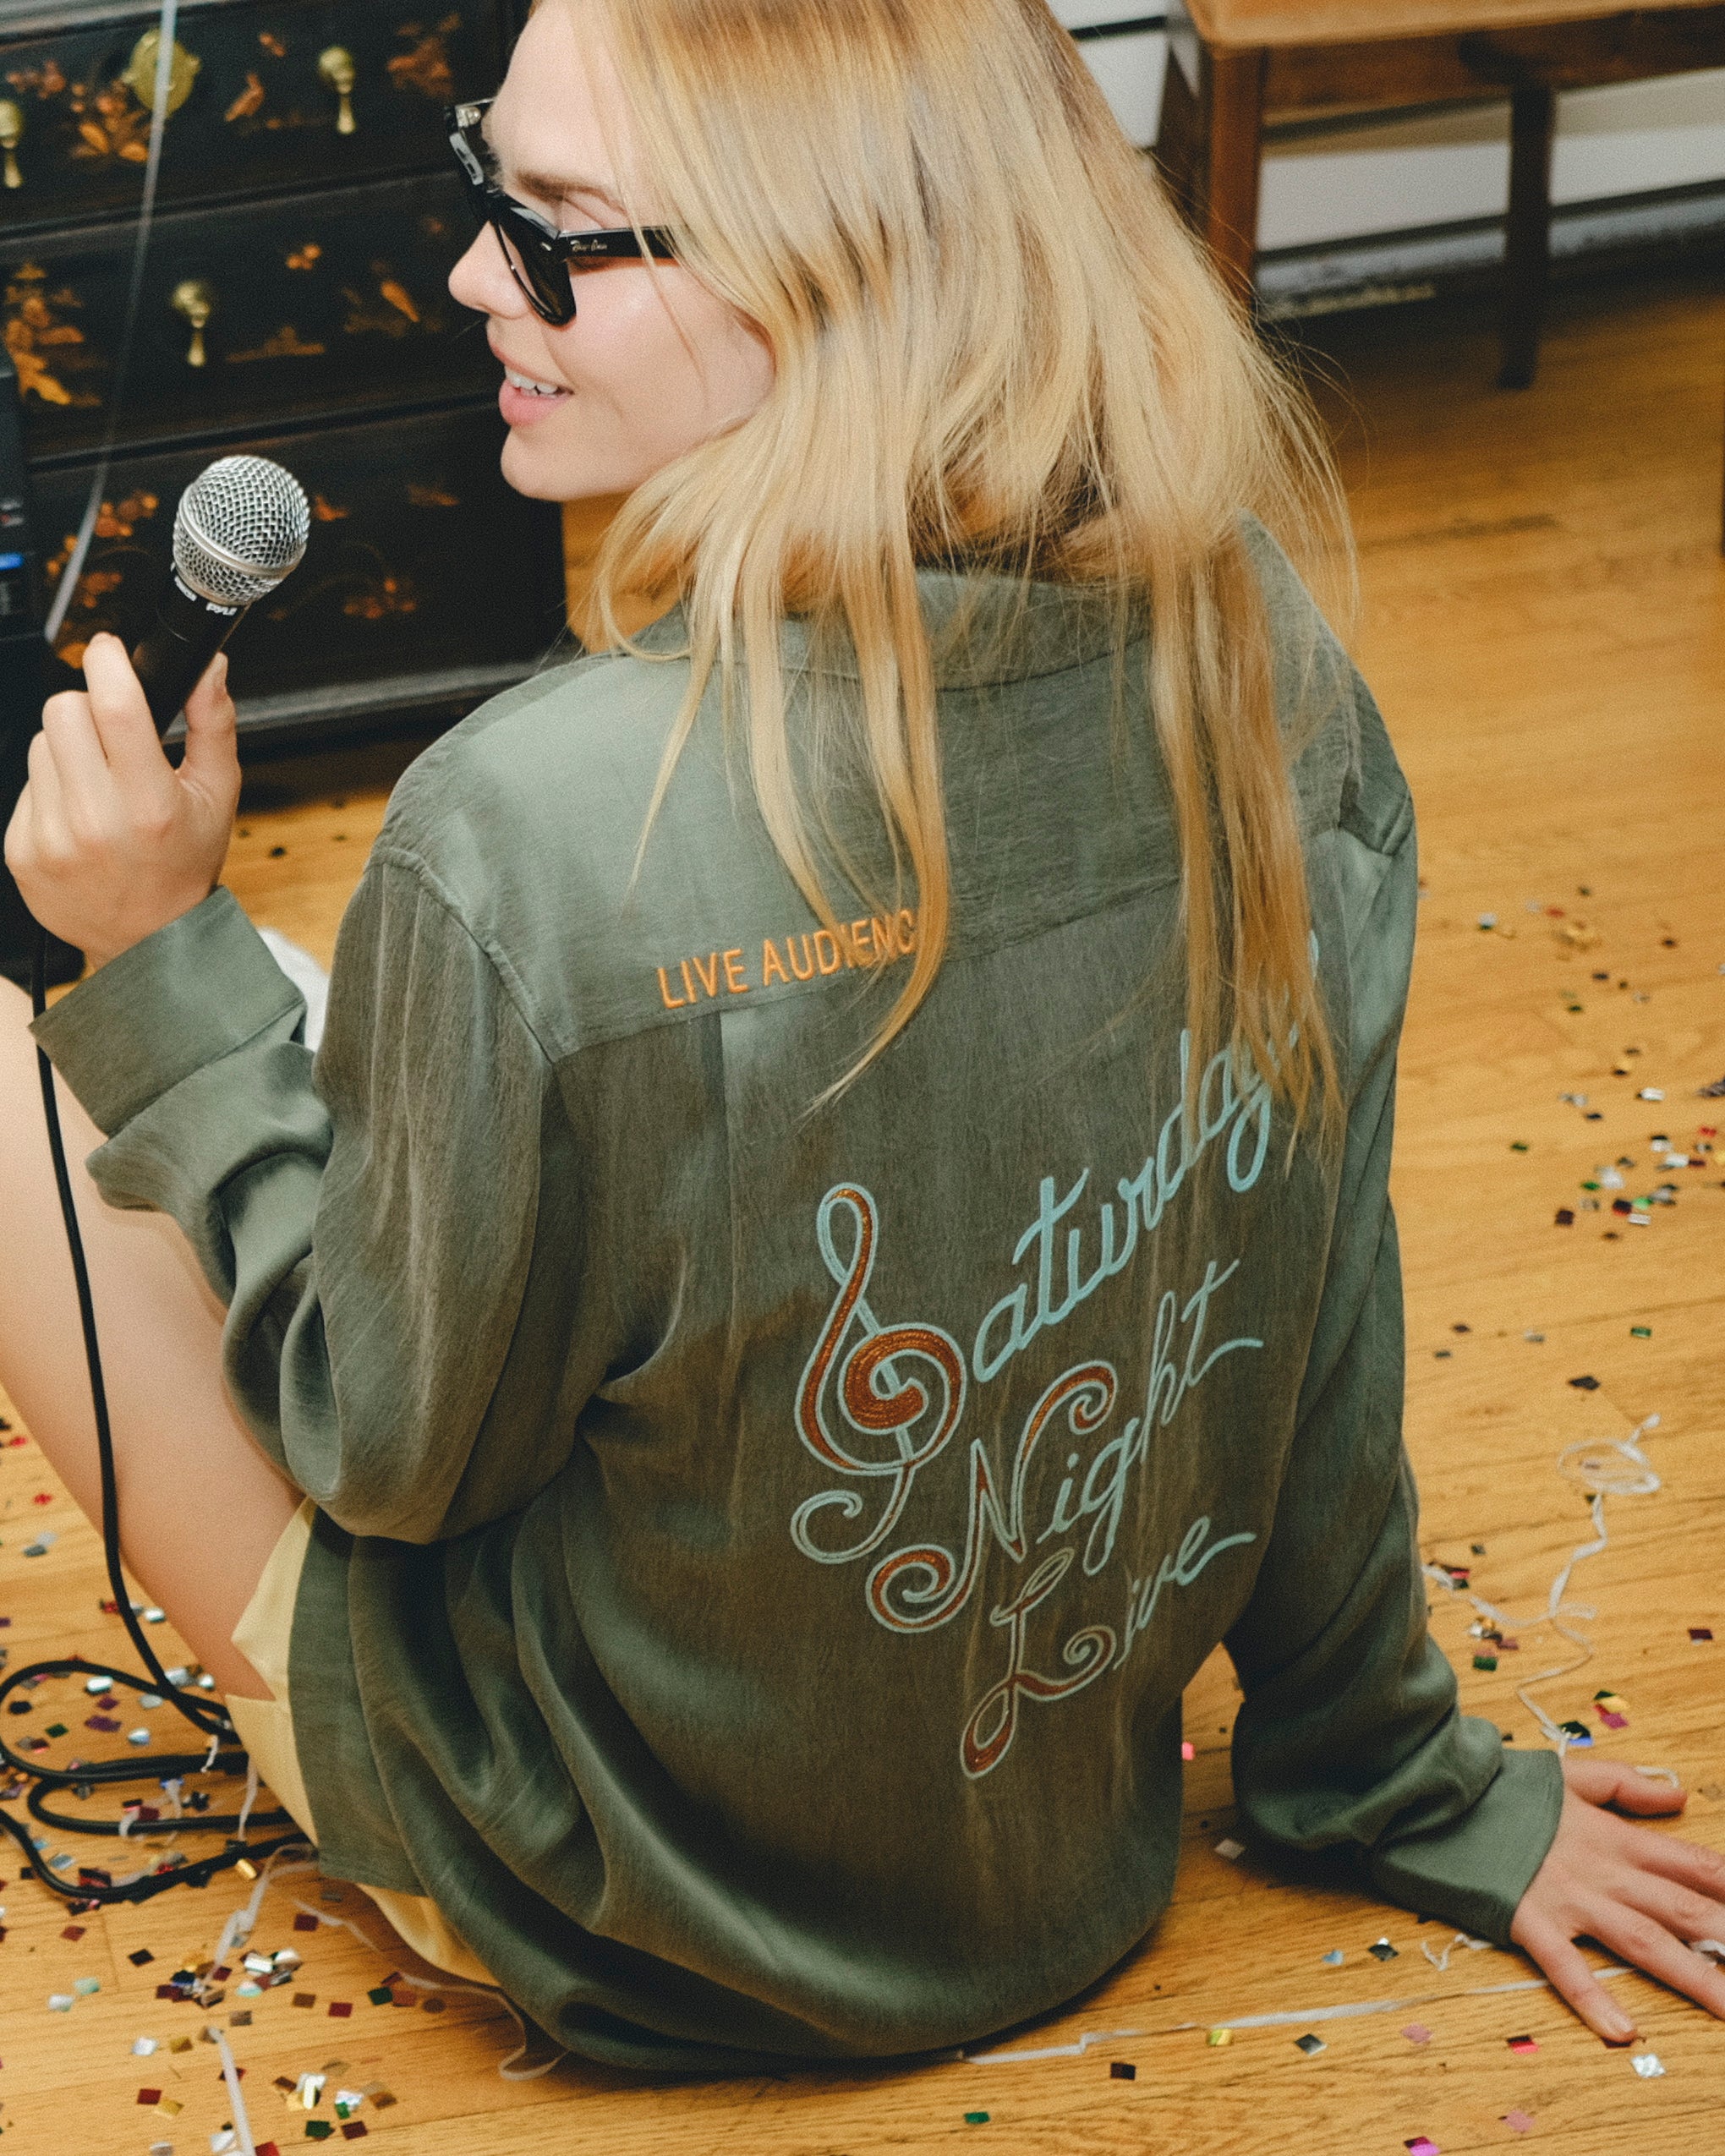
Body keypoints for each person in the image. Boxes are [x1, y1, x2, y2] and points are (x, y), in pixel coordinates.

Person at [3, 0, 1722, 2076]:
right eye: (487, 183)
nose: (472, 274)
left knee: (161, 1018)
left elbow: (386, 1455)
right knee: (298, 1014)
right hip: (1052, 1859)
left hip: (615, 1885)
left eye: (558, 228)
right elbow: (1316, 1293)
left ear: (831, 274)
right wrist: (1390, 1772)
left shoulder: (523, 835)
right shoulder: (1259, 638)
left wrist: (153, 958)